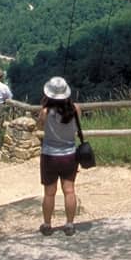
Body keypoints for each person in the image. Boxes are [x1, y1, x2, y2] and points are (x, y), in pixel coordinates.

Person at [36, 76, 80, 236]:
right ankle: (69, 224)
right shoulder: (75, 109)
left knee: (49, 192)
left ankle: (47, 224)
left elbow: (39, 125)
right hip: (69, 154)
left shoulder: (46, 111)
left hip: (49, 154)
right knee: (69, 190)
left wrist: (44, 106)